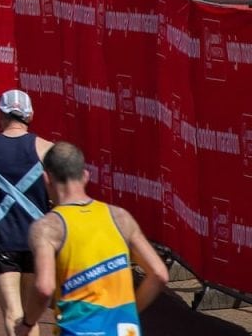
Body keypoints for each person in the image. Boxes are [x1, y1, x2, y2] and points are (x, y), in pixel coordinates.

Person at [22, 141, 167, 336]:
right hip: (123, 330)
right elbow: (159, 274)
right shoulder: (120, 217)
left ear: (46, 179)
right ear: (85, 176)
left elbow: (44, 288)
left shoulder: (47, 228)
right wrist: (127, 313)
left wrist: (27, 322)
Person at [0, 90, 54, 336]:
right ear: (31, 115)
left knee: (13, 315)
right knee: (31, 317)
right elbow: (58, 197)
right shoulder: (46, 149)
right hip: (38, 240)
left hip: (2, 239)